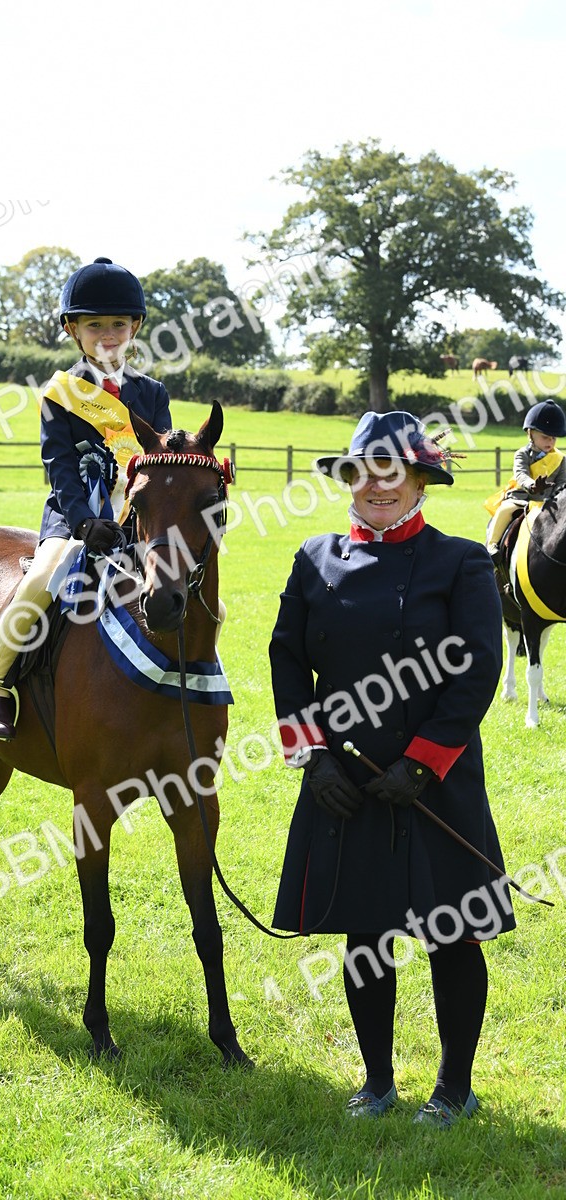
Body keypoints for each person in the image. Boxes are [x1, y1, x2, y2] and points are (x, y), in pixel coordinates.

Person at [270, 410, 516, 1128]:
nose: (377, 486)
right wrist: (313, 758)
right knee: (366, 933)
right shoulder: (313, 557)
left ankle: (455, 1088)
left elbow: (475, 671)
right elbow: (287, 662)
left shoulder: (462, 560)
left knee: (452, 933)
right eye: (363, 472)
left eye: (393, 474)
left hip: (434, 784)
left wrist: (423, 762)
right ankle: (377, 1083)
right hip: (347, 785)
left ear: (418, 482)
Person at [0, 257, 171, 741]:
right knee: (39, 580)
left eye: (118, 324)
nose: (108, 334)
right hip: (74, 521)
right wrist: (81, 523)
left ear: (135, 326)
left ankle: (188, 687)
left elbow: (157, 463)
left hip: (134, 521)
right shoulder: (60, 394)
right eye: (94, 325)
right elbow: (59, 466)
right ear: (71, 329)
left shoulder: (153, 393)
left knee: (188, 584)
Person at [485, 399, 566, 563]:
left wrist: (556, 496)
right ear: (530, 433)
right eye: (545, 437)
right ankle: (491, 546)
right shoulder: (521, 454)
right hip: (522, 498)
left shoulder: (561, 459)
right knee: (505, 510)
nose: (550, 442)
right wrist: (532, 485)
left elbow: (562, 483)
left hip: (549, 502)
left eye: (553, 439)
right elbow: (520, 475)